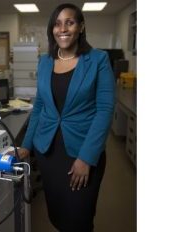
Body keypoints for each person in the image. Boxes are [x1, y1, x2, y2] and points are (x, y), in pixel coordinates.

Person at [15, 3, 115, 232]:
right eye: (57, 24)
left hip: (82, 152)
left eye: (69, 22)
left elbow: (105, 110)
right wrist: (27, 145)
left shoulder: (97, 60)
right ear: (52, 29)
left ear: (80, 27)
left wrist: (87, 158)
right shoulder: (45, 61)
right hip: (48, 153)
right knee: (58, 216)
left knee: (79, 220)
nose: (63, 29)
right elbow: (40, 106)